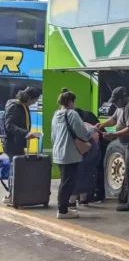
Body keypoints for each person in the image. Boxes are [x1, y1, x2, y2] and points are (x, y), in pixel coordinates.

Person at [96, 86, 129, 212]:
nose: (115, 103)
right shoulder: (120, 106)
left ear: (124, 98)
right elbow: (114, 119)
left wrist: (113, 135)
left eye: (116, 101)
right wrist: (102, 124)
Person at [51, 89, 91, 219]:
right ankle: (62, 210)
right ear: (71, 101)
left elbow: (53, 136)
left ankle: (64, 208)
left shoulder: (56, 115)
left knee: (64, 181)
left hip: (58, 153)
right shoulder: (72, 114)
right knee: (68, 183)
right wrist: (92, 130)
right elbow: (82, 133)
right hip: (70, 154)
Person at [1, 86, 41, 205]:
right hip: (12, 143)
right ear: (28, 98)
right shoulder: (14, 107)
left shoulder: (22, 106)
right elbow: (9, 125)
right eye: (34, 100)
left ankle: (13, 195)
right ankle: (10, 196)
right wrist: (26, 133)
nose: (34, 102)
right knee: (15, 170)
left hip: (17, 142)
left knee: (18, 169)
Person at [69, 123, 101, 208]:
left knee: (78, 175)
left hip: (85, 151)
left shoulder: (73, 123)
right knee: (87, 174)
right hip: (92, 150)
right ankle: (83, 199)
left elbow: (83, 134)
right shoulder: (83, 123)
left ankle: (72, 200)